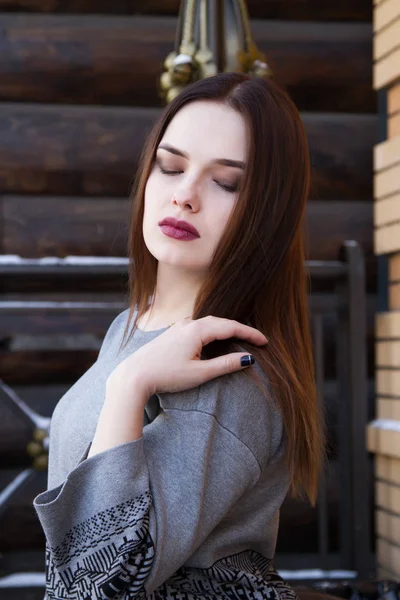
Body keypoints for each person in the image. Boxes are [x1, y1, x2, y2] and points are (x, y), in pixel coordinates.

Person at [33, 71, 324, 600]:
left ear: (268, 212)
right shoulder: (133, 324)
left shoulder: (225, 372)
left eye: (226, 182)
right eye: (171, 166)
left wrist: (131, 384)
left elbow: (100, 589)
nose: (185, 195)